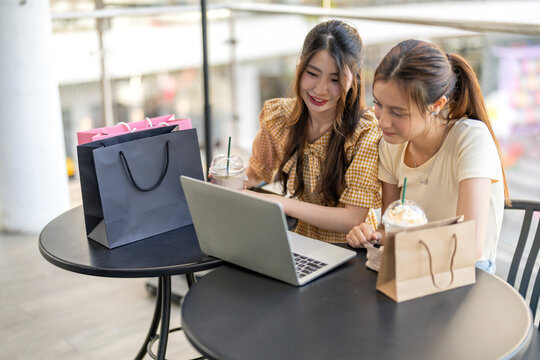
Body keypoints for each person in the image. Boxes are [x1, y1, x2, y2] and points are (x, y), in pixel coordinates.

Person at [346, 39, 509, 273]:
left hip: (469, 271)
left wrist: (403, 248)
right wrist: (371, 235)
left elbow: (469, 244)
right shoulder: (391, 144)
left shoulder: (471, 139)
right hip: (414, 265)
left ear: (436, 104)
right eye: (378, 104)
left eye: (398, 112)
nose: (382, 121)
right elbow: (390, 228)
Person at [245, 19, 382, 243]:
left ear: (353, 78)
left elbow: (352, 218)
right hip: (298, 242)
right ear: (300, 66)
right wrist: (233, 178)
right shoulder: (279, 116)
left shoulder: (365, 132)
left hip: (348, 250)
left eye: (335, 79)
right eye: (312, 74)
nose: (320, 89)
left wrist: (281, 203)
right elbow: (258, 170)